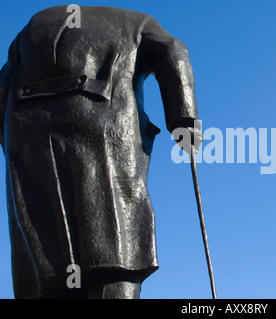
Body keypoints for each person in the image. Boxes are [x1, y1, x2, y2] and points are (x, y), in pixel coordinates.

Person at [0, 5, 202, 299]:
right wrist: (184, 122)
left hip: (27, 135)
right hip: (104, 130)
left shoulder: (31, 28)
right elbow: (173, 50)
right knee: (113, 249)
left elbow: (2, 90)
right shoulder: (137, 22)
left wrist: (16, 145)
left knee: (44, 259)